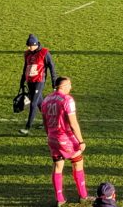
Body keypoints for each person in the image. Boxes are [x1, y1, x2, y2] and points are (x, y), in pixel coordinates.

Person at [42, 77, 91, 205]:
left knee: (58, 166)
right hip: (65, 138)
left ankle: (60, 199)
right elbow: (73, 123)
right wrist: (81, 141)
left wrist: (50, 135)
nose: (71, 87)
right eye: (70, 85)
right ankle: (83, 196)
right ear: (63, 86)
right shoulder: (67, 100)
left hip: (52, 138)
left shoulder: (46, 99)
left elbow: (45, 122)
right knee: (77, 162)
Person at [18, 34, 57, 136]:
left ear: (35, 44)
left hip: (39, 81)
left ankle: (27, 127)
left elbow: (52, 67)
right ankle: (49, 122)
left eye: (30, 45)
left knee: (33, 103)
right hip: (30, 81)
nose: (28, 47)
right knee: (41, 103)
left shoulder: (44, 53)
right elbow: (25, 68)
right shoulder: (27, 54)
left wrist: (54, 82)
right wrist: (22, 82)